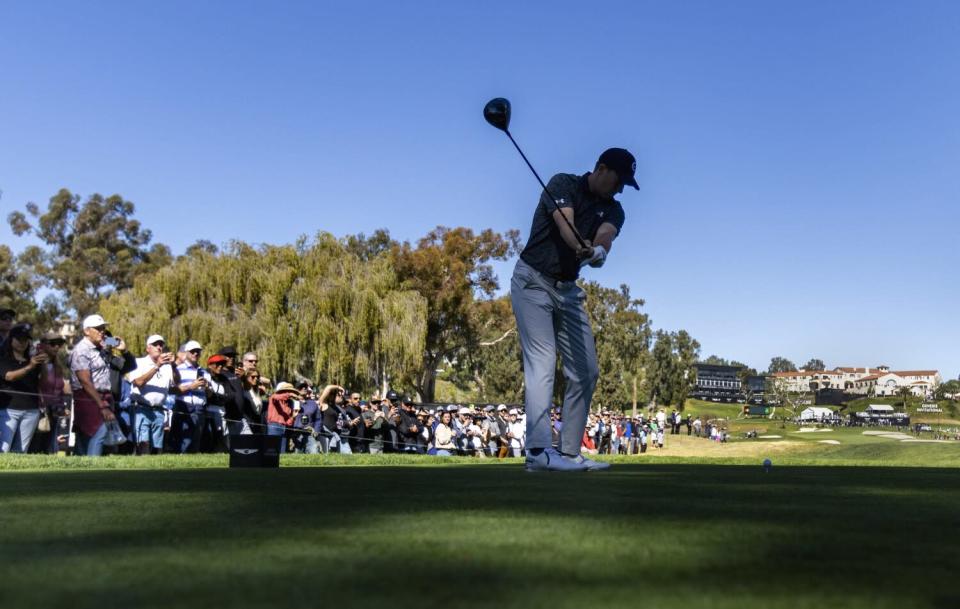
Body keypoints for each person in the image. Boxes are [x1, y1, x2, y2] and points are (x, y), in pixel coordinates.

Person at [511, 148, 637, 471]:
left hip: (568, 291)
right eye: (619, 180)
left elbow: (606, 235)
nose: (621, 188)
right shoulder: (562, 183)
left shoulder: (615, 210)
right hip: (533, 282)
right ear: (601, 168)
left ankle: (569, 453)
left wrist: (598, 251)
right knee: (542, 361)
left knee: (586, 370)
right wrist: (579, 244)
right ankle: (538, 452)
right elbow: (564, 222)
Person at [68, 315, 123, 456]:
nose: (102, 331)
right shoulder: (81, 350)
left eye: (103, 328)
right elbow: (85, 381)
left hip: (103, 395)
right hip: (88, 397)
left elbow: (120, 343)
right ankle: (93, 467)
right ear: (86, 331)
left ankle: (81, 467)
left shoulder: (101, 344)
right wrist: (102, 405)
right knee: (98, 432)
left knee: (87, 435)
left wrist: (116, 343)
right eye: (98, 329)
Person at [126, 335, 181, 455]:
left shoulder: (167, 366)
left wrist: (173, 365)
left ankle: (157, 471)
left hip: (159, 411)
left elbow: (177, 382)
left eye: (161, 344)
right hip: (141, 409)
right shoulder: (138, 362)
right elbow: (138, 382)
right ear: (148, 348)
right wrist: (157, 366)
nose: (159, 347)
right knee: (143, 446)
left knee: (157, 448)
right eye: (155, 344)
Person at [0, 324, 47, 452]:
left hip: (31, 410)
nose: (22, 342)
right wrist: (30, 366)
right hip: (8, 409)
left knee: (21, 450)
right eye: (19, 339)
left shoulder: (32, 360)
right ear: (11, 340)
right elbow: (9, 376)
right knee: (3, 448)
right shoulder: (3, 358)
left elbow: (44, 382)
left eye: (25, 340)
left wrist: (44, 363)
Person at [34, 331, 70, 454]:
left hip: (53, 411)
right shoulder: (35, 362)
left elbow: (60, 388)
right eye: (52, 343)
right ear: (43, 344)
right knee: (36, 446)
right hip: (38, 411)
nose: (56, 347)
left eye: (59, 344)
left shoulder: (57, 364)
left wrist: (62, 406)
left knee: (50, 448)